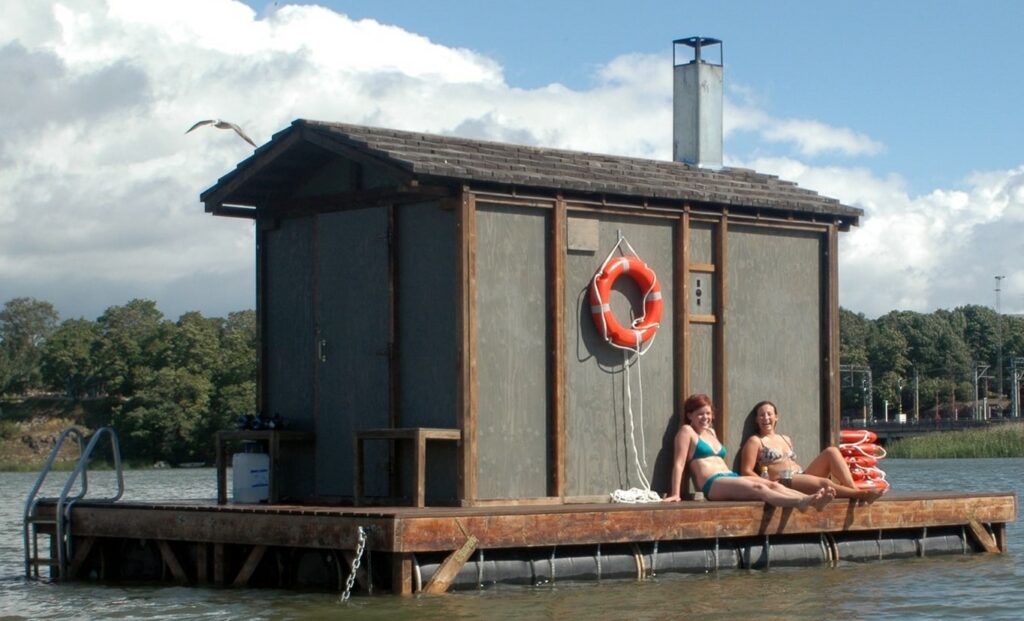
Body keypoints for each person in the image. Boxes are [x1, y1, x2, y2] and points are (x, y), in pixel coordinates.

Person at [663, 394, 834, 511]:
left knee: (774, 485)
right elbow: (679, 464)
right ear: (690, 415)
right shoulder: (687, 431)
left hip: (730, 476)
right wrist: (676, 494)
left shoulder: (711, 432)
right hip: (712, 484)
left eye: (708, 413)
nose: (705, 417)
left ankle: (813, 500)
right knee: (759, 488)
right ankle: (802, 502)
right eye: (700, 414)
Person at [739, 400, 885, 504]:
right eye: (762, 415)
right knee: (824, 482)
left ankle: (852, 489)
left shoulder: (785, 438)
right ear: (756, 420)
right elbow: (746, 471)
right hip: (782, 482)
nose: (766, 418)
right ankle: (861, 494)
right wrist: (768, 483)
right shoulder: (755, 441)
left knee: (832, 451)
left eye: (769, 414)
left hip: (800, 476)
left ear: (776, 417)